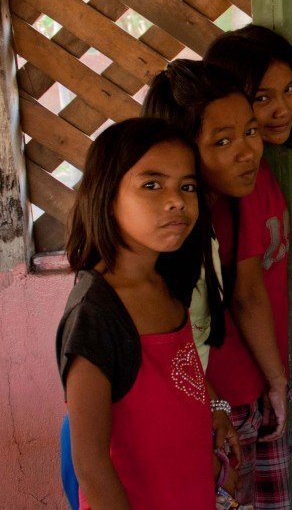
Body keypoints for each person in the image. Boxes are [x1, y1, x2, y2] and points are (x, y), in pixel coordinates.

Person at [143, 60, 288, 506]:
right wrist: (217, 408)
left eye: (249, 131)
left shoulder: (233, 199)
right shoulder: (163, 237)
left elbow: (248, 290)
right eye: (222, 141)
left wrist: (275, 384)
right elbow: (166, 347)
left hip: (242, 399)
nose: (248, 151)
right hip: (200, 413)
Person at [55, 118, 216, 508]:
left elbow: (180, 385)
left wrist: (216, 412)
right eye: (152, 184)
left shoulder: (168, 280)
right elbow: (90, 463)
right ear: (107, 196)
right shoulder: (96, 313)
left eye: (187, 186)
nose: (176, 199)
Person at [206, 24, 292, 508]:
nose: (282, 107)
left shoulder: (258, 171)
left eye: (289, 89)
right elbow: (246, 294)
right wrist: (277, 379)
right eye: (263, 97)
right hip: (236, 393)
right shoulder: (237, 185)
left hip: (260, 387)